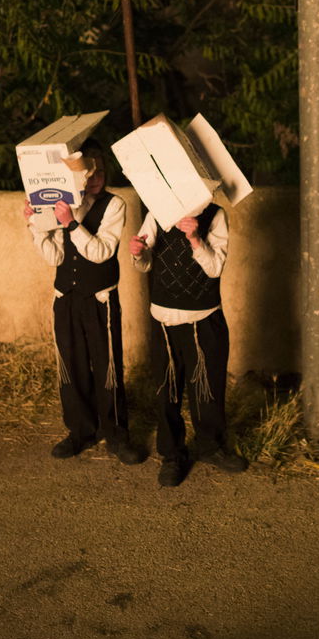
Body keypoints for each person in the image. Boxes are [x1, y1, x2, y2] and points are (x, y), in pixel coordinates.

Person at [24, 140, 143, 466]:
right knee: (72, 366)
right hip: (66, 299)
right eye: (88, 173)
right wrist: (36, 227)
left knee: (107, 367)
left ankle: (117, 436)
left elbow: (101, 251)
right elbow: (55, 256)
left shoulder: (115, 205)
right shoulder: (61, 205)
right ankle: (80, 431)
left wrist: (72, 224)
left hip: (100, 300)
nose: (94, 179)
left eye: (99, 172)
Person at [129, 202, 248, 487]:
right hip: (164, 319)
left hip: (204, 318)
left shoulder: (215, 215)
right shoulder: (157, 212)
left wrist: (195, 239)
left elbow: (215, 268)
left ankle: (211, 447)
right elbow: (145, 263)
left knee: (207, 388)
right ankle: (172, 455)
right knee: (166, 391)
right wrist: (138, 253)